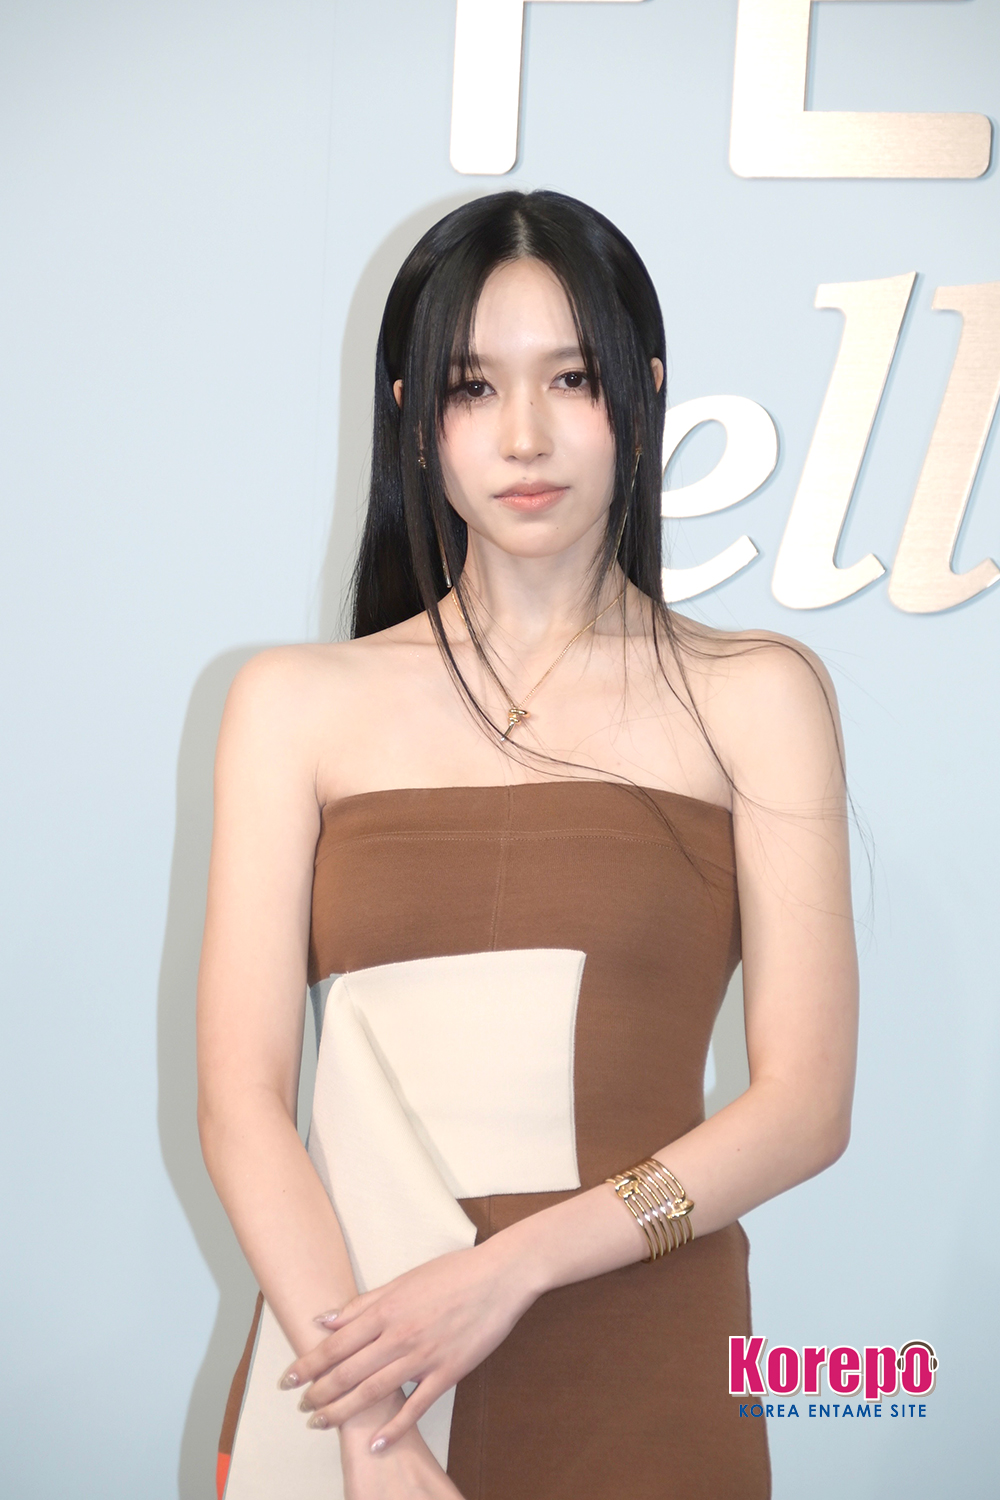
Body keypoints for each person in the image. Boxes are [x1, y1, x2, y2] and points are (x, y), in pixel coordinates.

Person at [197, 189, 858, 1500]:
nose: (524, 435)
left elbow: (805, 1109)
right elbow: (241, 1102)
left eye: (571, 378)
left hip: (646, 1365)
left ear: (643, 394)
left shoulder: (756, 694)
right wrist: (370, 1429)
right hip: (354, 1375)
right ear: (413, 416)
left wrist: (507, 1272)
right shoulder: (292, 705)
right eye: (472, 386)